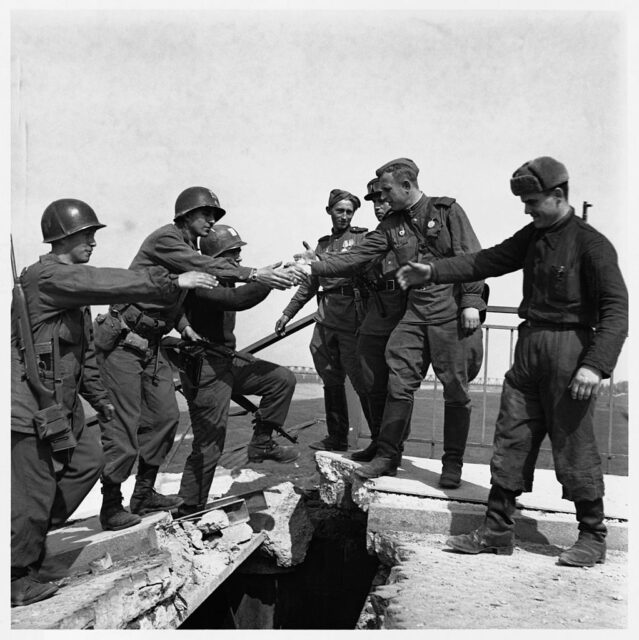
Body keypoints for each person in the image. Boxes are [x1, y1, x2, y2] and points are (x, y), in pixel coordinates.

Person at [396, 156, 628, 566]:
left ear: (558, 196)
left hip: (570, 351)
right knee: (511, 437)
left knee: (574, 443)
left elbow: (616, 310)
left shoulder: (592, 245)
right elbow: (485, 261)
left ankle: (592, 537)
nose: (527, 209)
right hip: (529, 349)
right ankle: (496, 531)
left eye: (533, 201)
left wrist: (595, 365)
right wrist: (431, 271)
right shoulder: (533, 236)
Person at [10, 198, 217, 606]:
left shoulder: (70, 287)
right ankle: (17, 575)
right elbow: (111, 281)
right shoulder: (50, 277)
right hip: (32, 408)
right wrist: (174, 284)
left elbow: (83, 356)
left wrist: (100, 401)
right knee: (32, 493)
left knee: (87, 461)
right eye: (87, 235)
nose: (93, 242)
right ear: (64, 237)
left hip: (63, 407)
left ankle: (24, 541)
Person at [96, 186, 303, 531]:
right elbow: (205, 273)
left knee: (164, 420)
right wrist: (258, 275)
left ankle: (143, 495)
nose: (211, 220)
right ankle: (112, 505)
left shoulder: (188, 249)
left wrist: (182, 324)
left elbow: (170, 293)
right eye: (206, 214)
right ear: (185, 215)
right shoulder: (167, 240)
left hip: (152, 344)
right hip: (124, 342)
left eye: (214, 216)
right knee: (125, 426)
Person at [295, 159, 486, 485]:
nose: (380, 198)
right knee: (398, 384)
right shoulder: (391, 225)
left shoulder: (446, 212)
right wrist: (318, 264)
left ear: (407, 186)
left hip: (449, 314)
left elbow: (472, 257)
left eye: (386, 191)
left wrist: (471, 303)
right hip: (414, 314)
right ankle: (387, 455)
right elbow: (358, 256)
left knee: (456, 391)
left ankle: (452, 465)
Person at [169, 225, 299, 516]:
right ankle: (189, 506)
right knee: (209, 443)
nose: (239, 260)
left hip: (225, 362)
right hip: (205, 369)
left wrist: (276, 272)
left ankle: (262, 443)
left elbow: (240, 292)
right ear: (215, 258)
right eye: (233, 254)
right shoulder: (204, 283)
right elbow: (238, 301)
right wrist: (269, 281)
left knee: (281, 379)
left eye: (239, 252)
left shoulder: (223, 281)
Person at [275, 188, 372, 452]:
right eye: (339, 211)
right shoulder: (322, 244)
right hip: (326, 320)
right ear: (329, 211)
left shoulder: (362, 238)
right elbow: (309, 285)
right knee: (331, 380)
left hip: (352, 320)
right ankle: (336, 437)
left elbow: (352, 263)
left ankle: (379, 442)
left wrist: (320, 260)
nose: (344, 216)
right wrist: (287, 313)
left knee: (361, 381)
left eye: (349, 212)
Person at [351, 178, 407, 462]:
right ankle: (378, 440)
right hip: (376, 311)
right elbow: (352, 262)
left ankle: (392, 448)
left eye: (383, 200)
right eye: (374, 202)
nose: (378, 206)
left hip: (405, 311)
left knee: (398, 385)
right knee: (371, 379)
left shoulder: (410, 232)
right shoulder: (373, 237)